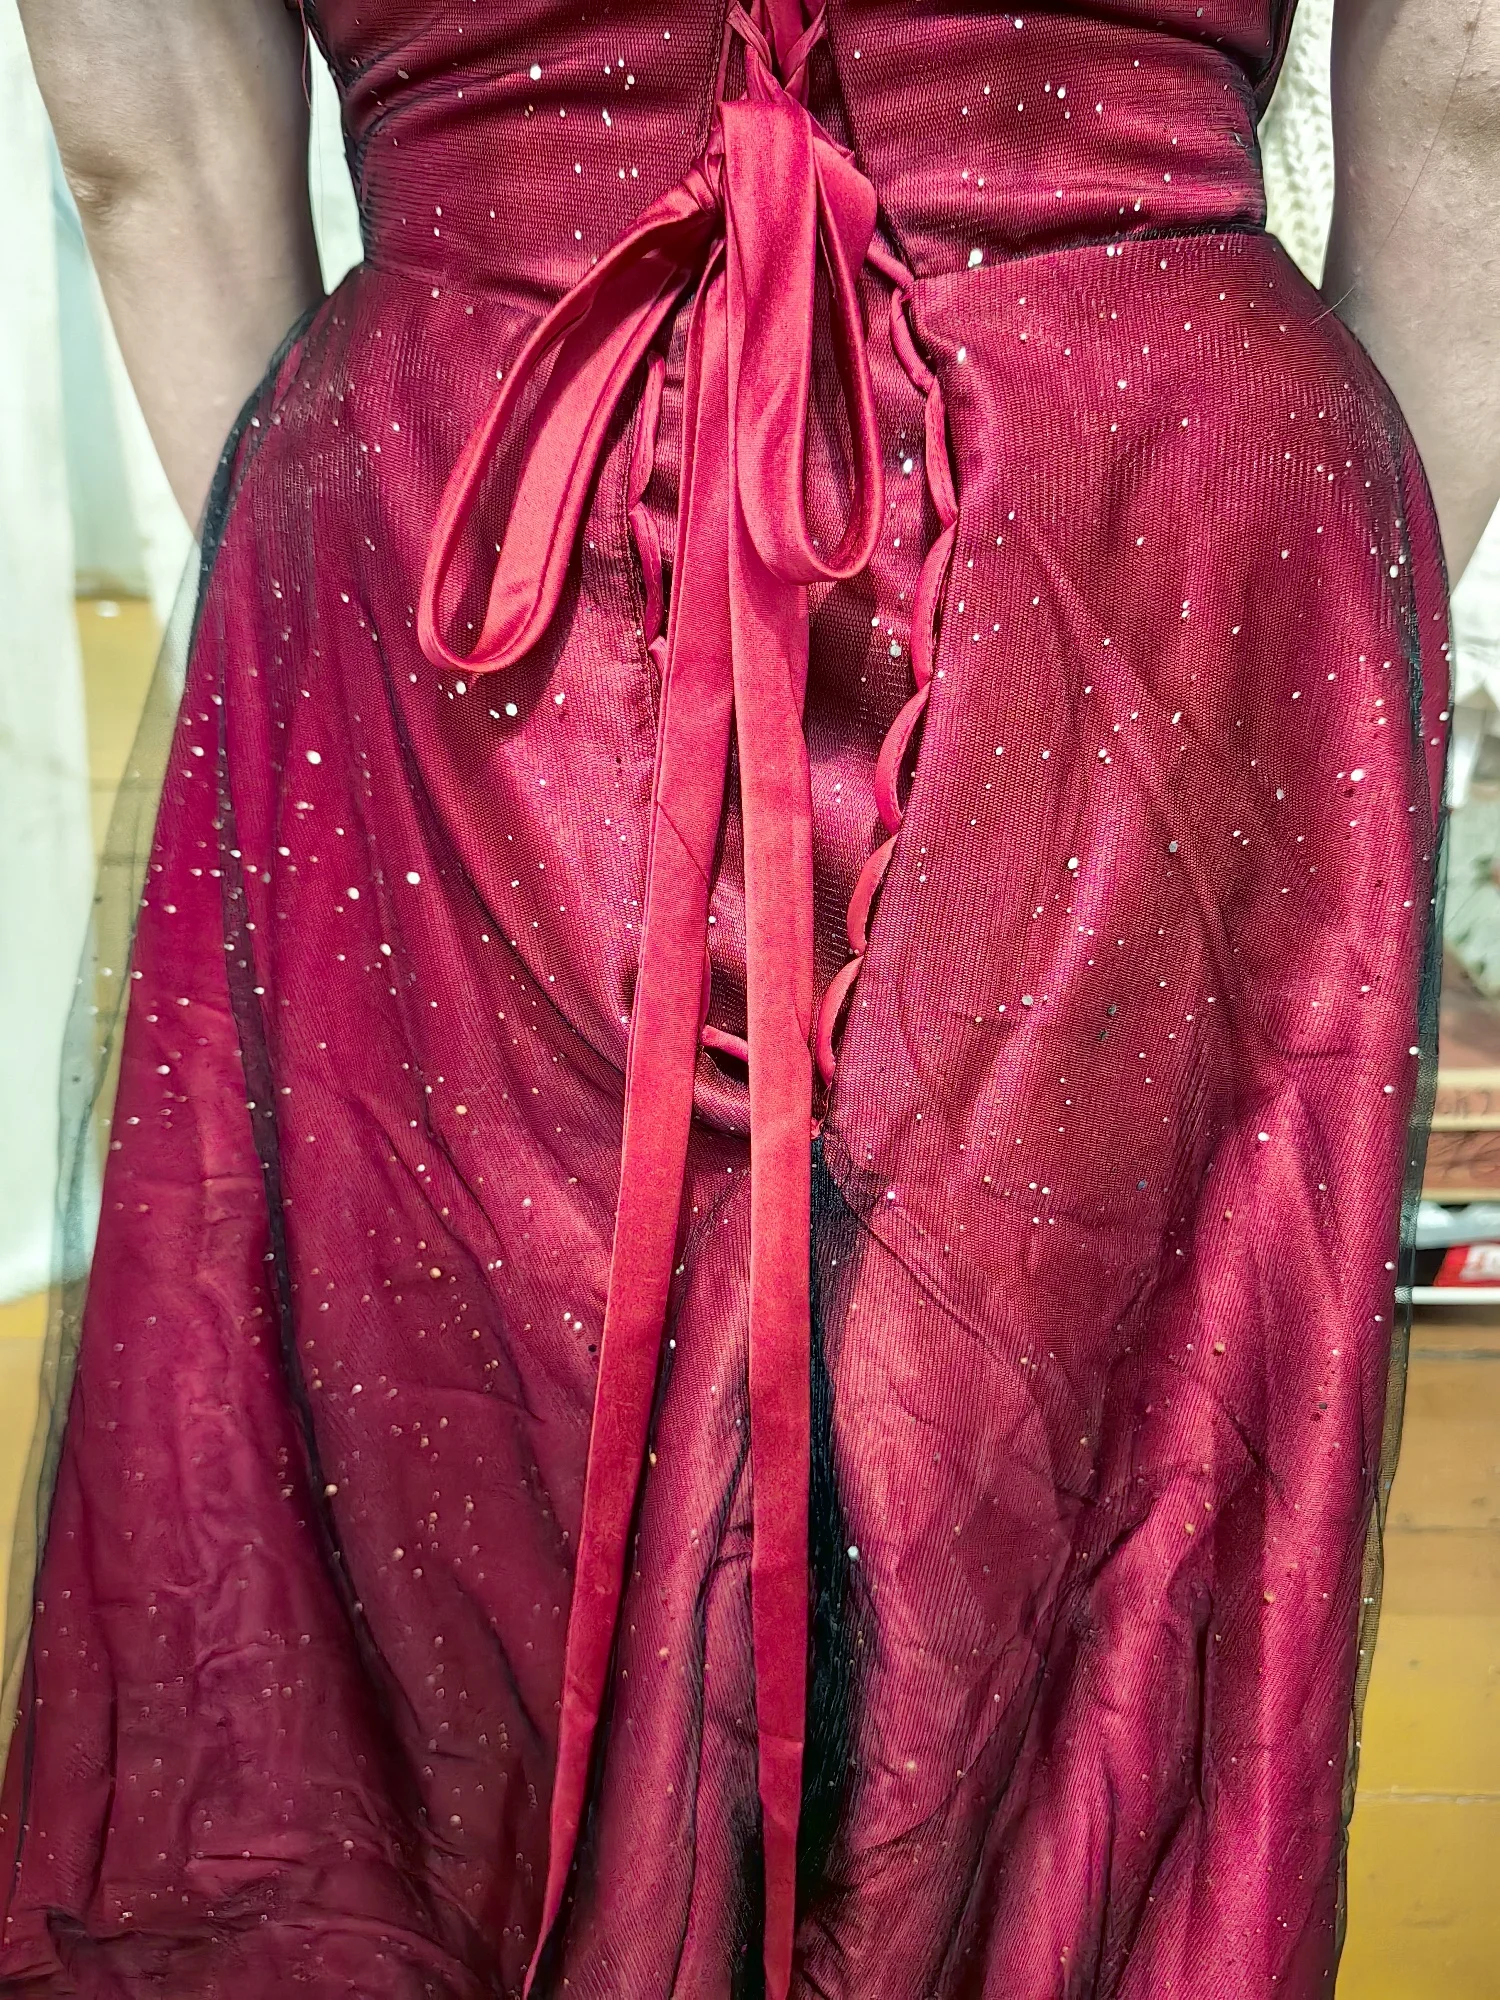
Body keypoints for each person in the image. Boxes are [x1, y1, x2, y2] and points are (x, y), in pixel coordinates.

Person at [2, 2, 1496, 1994]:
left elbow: (145, 146)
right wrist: (1320, 615)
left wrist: (332, 556)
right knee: (1059, 1473)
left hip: (464, 505)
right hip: (1154, 505)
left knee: (471, 1463)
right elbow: (1473, 91)